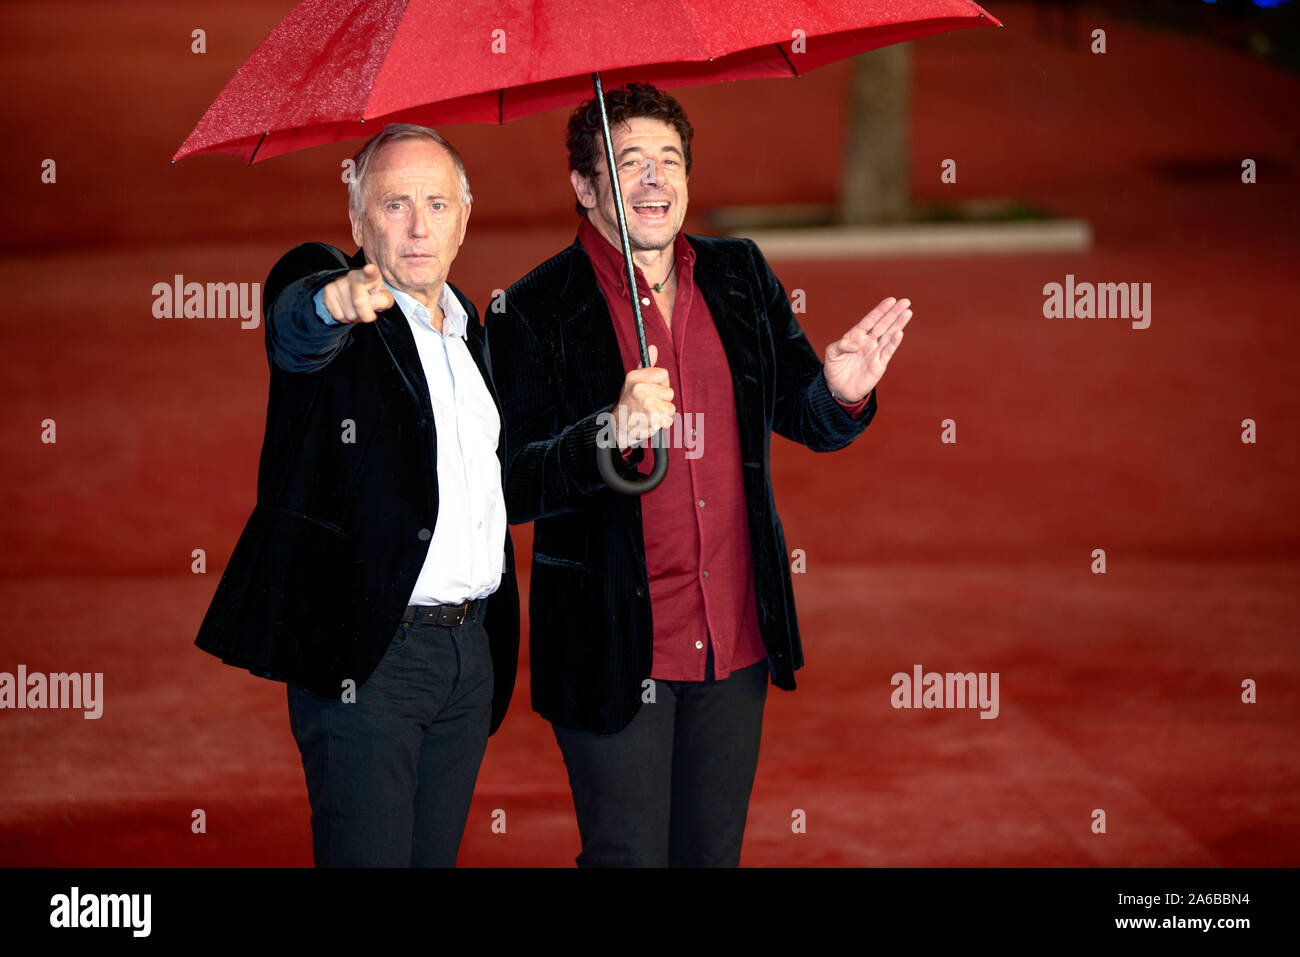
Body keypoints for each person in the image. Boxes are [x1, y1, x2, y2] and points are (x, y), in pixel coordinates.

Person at [489, 83, 911, 867]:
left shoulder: (740, 272)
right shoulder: (530, 310)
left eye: (670, 160)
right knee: (627, 855)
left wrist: (841, 390)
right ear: (585, 188)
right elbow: (507, 484)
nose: (655, 179)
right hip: (613, 645)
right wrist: (607, 435)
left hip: (734, 639)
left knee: (711, 856)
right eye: (629, 163)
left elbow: (803, 413)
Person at [194, 123, 519, 867]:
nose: (416, 225)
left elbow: (512, 479)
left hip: (469, 656)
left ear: (464, 219)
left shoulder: (474, 332)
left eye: (436, 204)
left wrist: (615, 435)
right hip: (369, 658)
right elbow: (293, 318)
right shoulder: (343, 306)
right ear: (357, 220)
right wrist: (331, 302)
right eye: (394, 203)